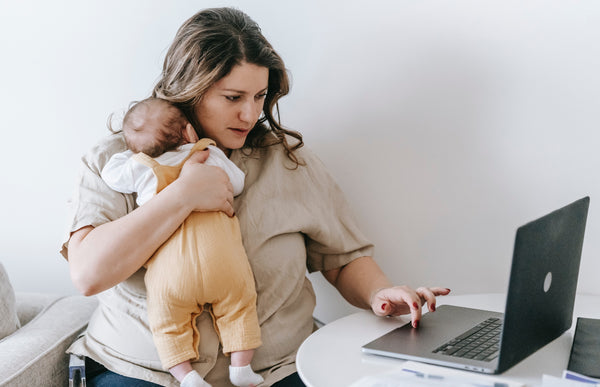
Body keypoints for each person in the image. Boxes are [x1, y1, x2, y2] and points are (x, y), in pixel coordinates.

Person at [62, 7, 450, 387]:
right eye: (233, 97)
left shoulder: (288, 162)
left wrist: (379, 294)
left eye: (259, 96)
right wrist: (182, 195)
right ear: (190, 89)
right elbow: (89, 274)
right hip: (142, 371)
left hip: (277, 369)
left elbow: (342, 257)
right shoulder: (117, 161)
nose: (250, 114)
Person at [100, 97, 263, 387]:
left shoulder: (143, 167)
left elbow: (111, 175)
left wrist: (132, 152)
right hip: (223, 261)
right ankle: (241, 368)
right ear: (189, 132)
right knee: (241, 307)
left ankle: (186, 376)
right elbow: (236, 182)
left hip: (171, 272)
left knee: (166, 323)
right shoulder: (207, 153)